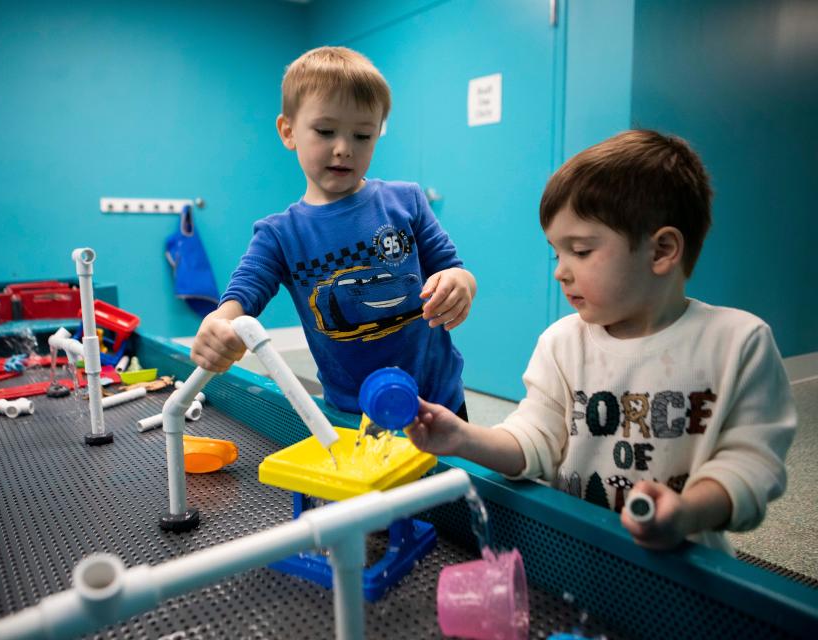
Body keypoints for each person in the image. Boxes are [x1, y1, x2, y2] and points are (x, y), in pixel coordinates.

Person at [406, 130, 796, 553]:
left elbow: (752, 464)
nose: (561, 271)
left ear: (662, 250)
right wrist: (463, 438)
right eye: (558, 254)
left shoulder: (738, 344)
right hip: (580, 551)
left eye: (581, 251)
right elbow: (534, 438)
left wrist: (687, 511)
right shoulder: (561, 343)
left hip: (685, 565)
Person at [191, 46, 476, 418]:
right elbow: (242, 295)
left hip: (440, 399)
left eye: (362, 135)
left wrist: (459, 283)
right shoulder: (280, 235)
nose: (343, 149)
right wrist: (218, 323)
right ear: (288, 131)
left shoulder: (406, 201)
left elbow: (452, 268)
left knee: (452, 479)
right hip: (352, 412)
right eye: (326, 131)